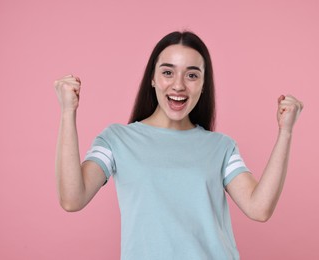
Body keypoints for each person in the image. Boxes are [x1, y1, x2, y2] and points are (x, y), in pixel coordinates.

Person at [54, 31, 303, 260]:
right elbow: (73, 199)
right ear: (152, 78)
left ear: (204, 85)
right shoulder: (117, 140)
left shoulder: (221, 147)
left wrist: (286, 132)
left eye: (192, 75)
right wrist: (68, 112)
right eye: (168, 72)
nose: (179, 85)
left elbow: (259, 208)